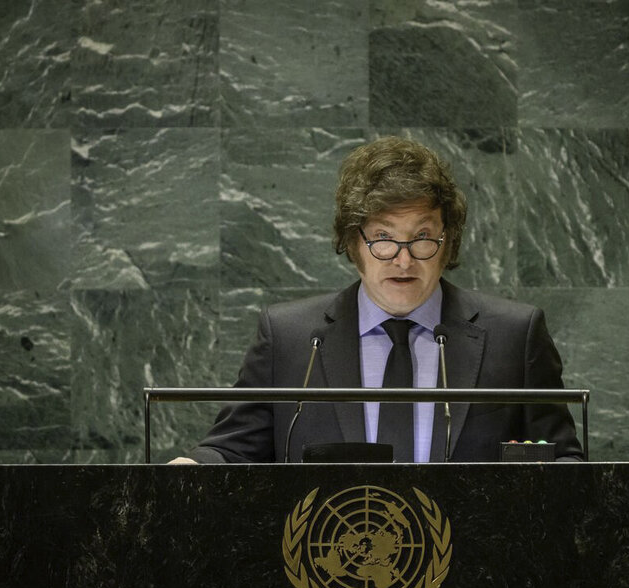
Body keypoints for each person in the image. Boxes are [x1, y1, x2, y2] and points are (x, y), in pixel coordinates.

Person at [170, 136, 583, 464]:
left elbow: (563, 458)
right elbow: (234, 450)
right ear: (353, 242)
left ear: (447, 241)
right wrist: (192, 467)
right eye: (383, 238)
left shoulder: (514, 335)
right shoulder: (290, 338)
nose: (403, 260)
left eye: (422, 238)